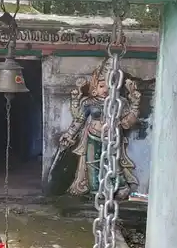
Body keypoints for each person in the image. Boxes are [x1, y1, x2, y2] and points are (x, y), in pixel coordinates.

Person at [58, 58, 140, 198]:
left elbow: (127, 122)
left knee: (113, 162)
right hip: (92, 136)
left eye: (109, 86)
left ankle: (119, 186)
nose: (106, 90)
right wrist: (69, 134)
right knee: (92, 164)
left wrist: (135, 104)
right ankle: (96, 189)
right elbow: (79, 120)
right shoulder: (89, 103)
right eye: (102, 86)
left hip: (112, 138)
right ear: (95, 88)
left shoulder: (120, 103)